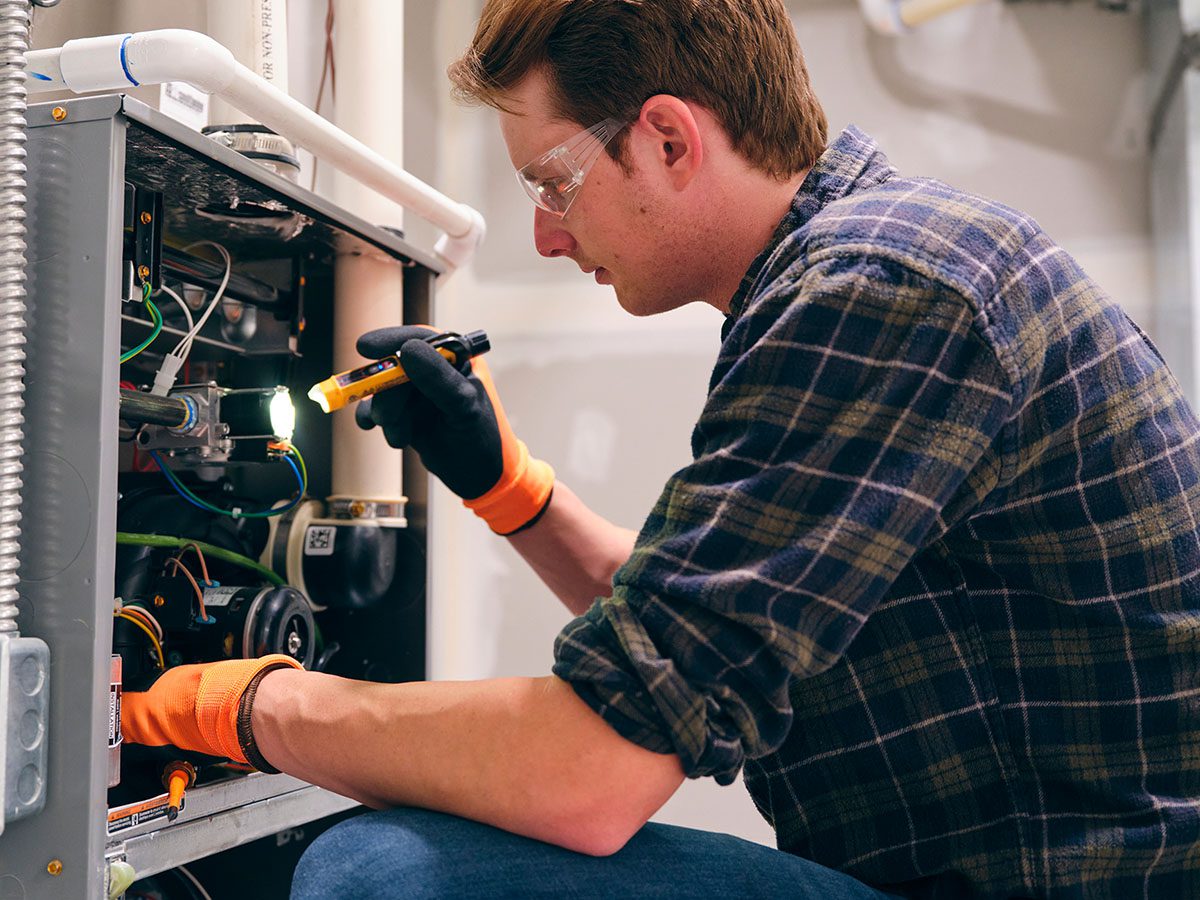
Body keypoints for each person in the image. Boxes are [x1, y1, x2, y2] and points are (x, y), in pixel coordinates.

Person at [121, 1, 1200, 897]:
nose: (546, 234)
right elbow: (693, 646)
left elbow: (586, 774)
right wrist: (512, 490)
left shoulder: (880, 289)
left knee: (383, 875)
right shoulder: (876, 266)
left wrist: (245, 705)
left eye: (552, 182)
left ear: (670, 139)